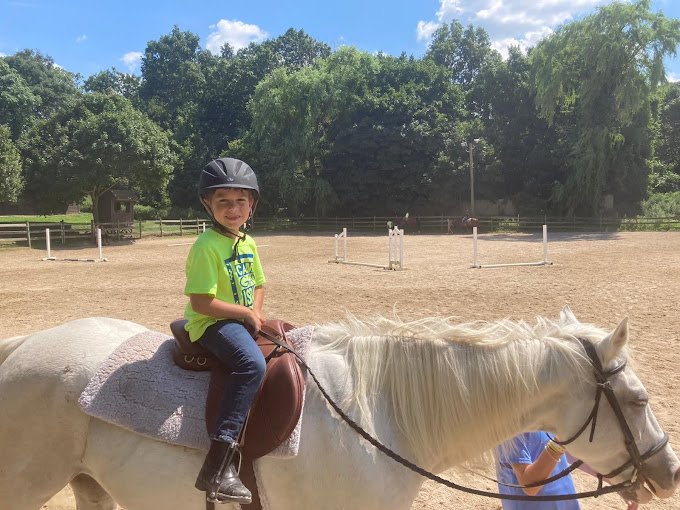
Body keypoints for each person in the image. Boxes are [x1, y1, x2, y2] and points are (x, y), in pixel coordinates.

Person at [184, 157, 267, 504]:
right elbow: (202, 302)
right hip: (212, 323)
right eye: (223, 202)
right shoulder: (206, 246)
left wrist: (256, 313)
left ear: (251, 205)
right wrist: (244, 313)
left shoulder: (247, 242)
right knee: (252, 365)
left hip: (242, 318)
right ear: (208, 204)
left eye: (240, 201)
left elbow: (260, 283)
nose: (233, 209)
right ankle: (218, 466)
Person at [495, 431, 638, 510]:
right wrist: (559, 443)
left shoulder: (541, 416)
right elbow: (530, 485)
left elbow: (574, 455)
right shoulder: (510, 429)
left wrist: (615, 482)